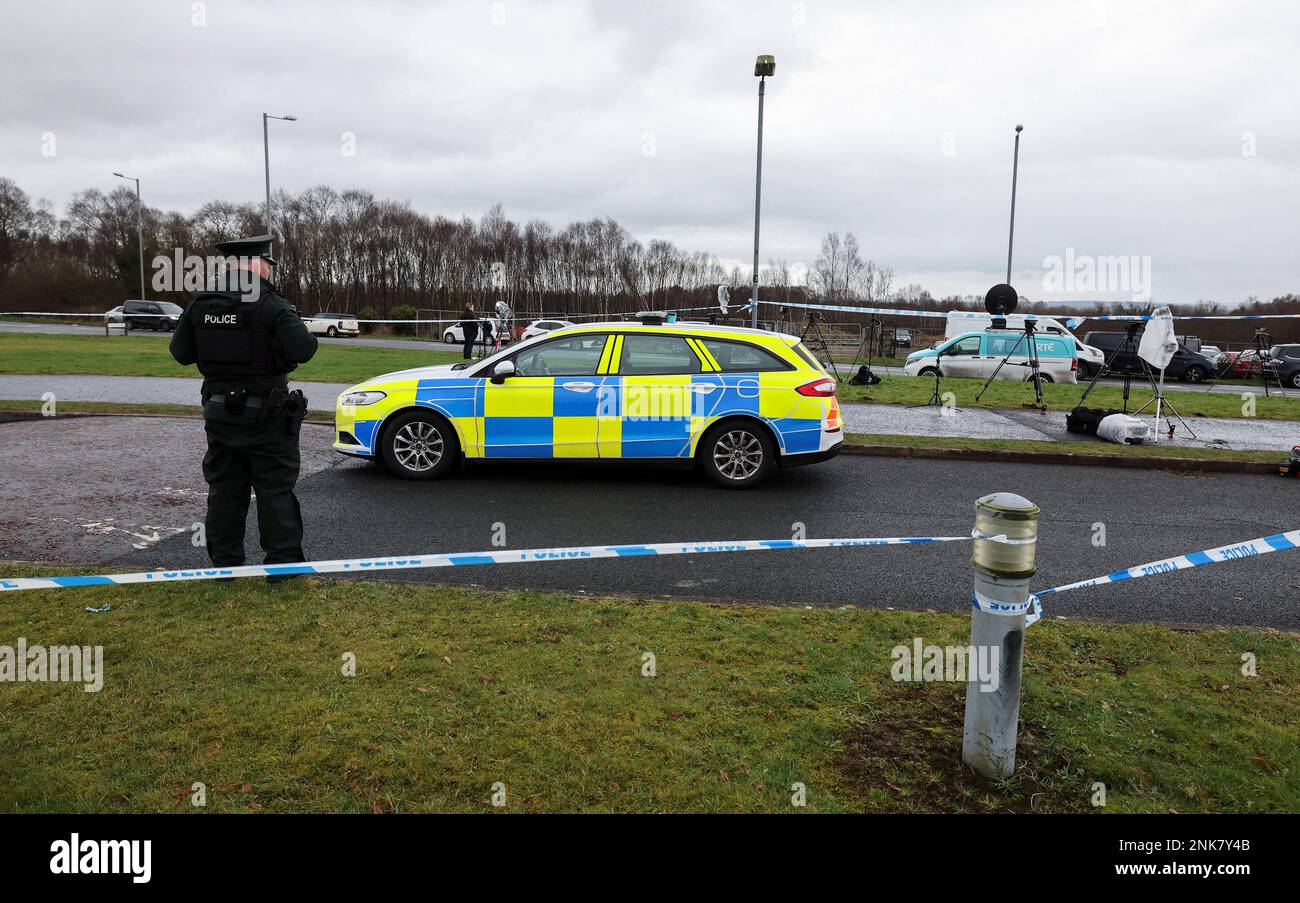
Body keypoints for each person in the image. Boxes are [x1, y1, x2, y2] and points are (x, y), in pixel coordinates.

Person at [169, 235, 319, 582]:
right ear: (256, 264)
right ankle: (283, 568)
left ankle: (225, 565)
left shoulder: (202, 303)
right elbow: (304, 349)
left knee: (224, 490)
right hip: (267, 418)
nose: (269, 271)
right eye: (268, 265)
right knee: (274, 490)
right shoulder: (270, 304)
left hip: (220, 414)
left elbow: (180, 353)